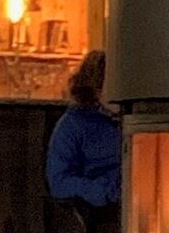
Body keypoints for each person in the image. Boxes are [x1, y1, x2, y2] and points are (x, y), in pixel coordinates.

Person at [46, 50, 121, 232]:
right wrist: (99, 190)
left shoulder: (134, 121)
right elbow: (59, 181)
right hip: (103, 209)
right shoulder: (73, 125)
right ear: (95, 88)